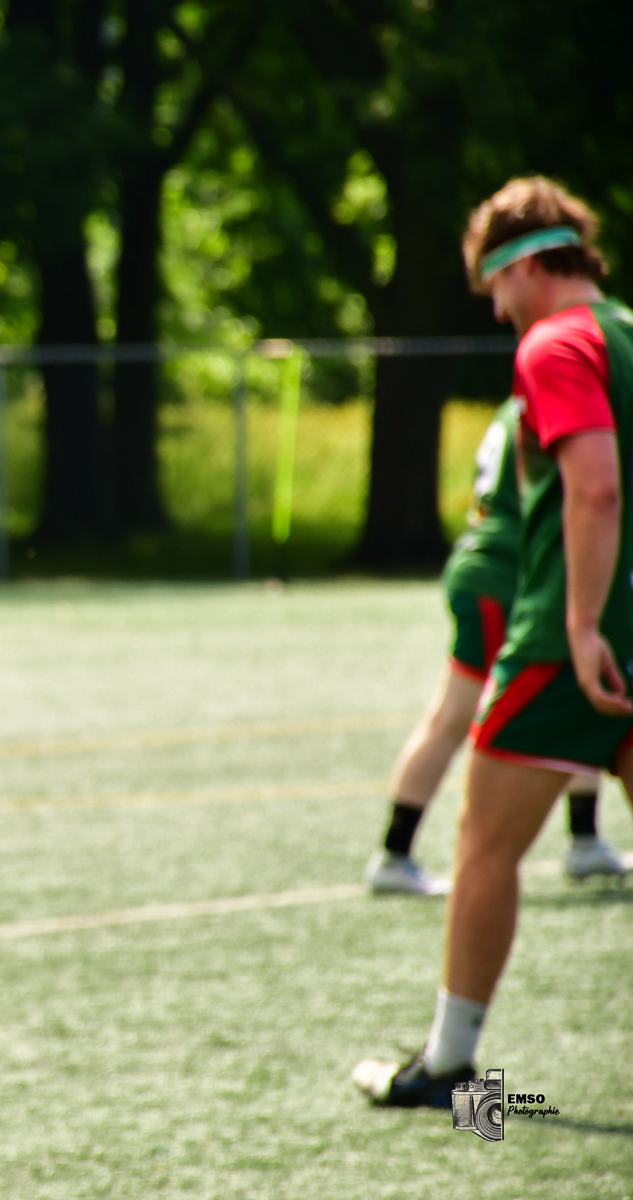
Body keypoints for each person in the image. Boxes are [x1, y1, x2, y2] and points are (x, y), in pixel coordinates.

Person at [355, 176, 633, 1109]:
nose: (496, 308)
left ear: (521, 264)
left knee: (484, 845)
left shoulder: (558, 343)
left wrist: (584, 620)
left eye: (492, 286)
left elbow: (594, 487)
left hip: (571, 643)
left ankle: (447, 1062)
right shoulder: (630, 331)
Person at [365, 395, 625, 896]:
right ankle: (394, 853)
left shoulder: (530, 401)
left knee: (583, 693)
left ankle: (586, 839)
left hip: (509, 571)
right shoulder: (568, 403)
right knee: (453, 715)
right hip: (507, 574)